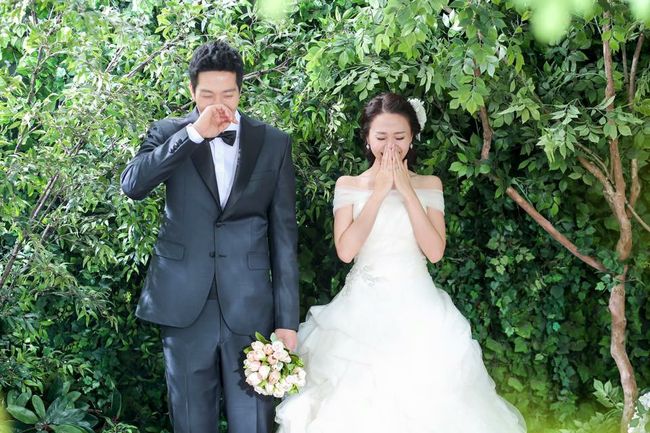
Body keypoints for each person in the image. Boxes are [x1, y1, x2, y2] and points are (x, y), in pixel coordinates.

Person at [274, 93, 526, 433]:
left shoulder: (429, 185)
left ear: (412, 138)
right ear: (367, 138)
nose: (390, 146)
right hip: (360, 310)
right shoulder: (349, 185)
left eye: (399, 137)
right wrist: (379, 192)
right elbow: (346, 251)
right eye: (381, 137)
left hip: (419, 306)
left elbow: (434, 251)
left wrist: (406, 191)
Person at [120, 40, 299, 433]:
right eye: (207, 95)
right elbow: (133, 184)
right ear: (191, 90)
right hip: (184, 305)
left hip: (250, 307)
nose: (219, 104)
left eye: (228, 94)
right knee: (190, 423)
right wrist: (194, 135)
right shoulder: (168, 132)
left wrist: (288, 321)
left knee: (254, 425)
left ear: (241, 90)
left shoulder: (273, 142)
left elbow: (285, 237)